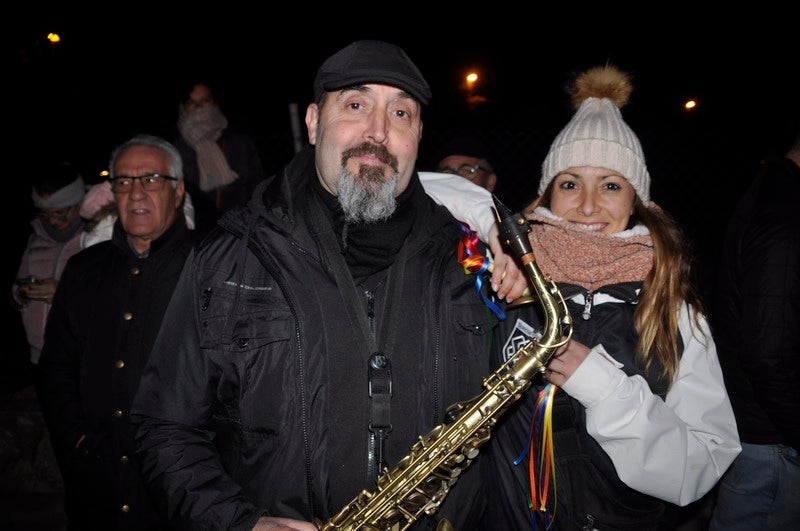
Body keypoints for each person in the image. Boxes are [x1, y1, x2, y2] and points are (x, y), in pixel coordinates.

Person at [130, 40, 523, 531]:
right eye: (355, 105)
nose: (377, 132)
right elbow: (164, 427)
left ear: (419, 134)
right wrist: (238, 523)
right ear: (315, 123)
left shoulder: (475, 262)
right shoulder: (228, 257)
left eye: (400, 112)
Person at [465, 65, 740, 530]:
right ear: (548, 194)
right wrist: (490, 225)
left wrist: (606, 391)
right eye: (570, 183)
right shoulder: (507, 282)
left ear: (636, 199)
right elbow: (417, 187)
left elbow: (703, 466)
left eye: (610, 185)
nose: (588, 205)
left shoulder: (671, 309)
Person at [36, 134, 198, 530]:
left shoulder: (211, 265)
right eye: (124, 182)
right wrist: (78, 441)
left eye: (151, 179)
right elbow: (56, 368)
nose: (136, 192)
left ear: (178, 192)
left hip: (184, 497)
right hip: (98, 490)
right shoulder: (83, 270)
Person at [707, 130, 800, 530]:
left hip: (766, 435)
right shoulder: (784, 213)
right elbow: (768, 354)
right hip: (772, 444)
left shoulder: (777, 194)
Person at [11, 161, 86, 370]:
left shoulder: (98, 237)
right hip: (40, 353)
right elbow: (17, 288)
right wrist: (22, 293)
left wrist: (63, 292)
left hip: (82, 353)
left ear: (79, 203)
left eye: (60, 212)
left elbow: (112, 293)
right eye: (45, 213)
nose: (52, 221)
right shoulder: (36, 238)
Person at [174, 80, 267, 233]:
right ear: (183, 108)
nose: (199, 107)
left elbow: (257, 186)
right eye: (192, 102)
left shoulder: (239, 142)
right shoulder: (175, 150)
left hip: (240, 229)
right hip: (194, 234)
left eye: (205, 100)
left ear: (215, 103)